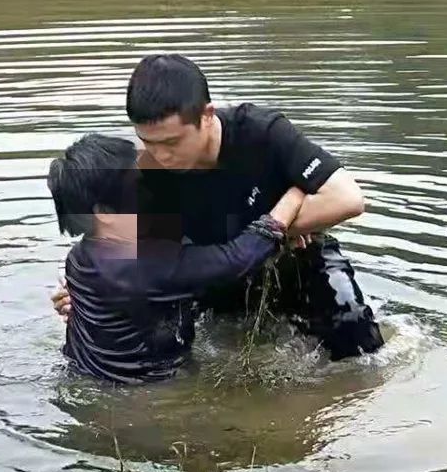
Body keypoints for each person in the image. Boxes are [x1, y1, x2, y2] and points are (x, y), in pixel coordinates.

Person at [126, 54, 383, 361]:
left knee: (356, 336)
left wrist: (275, 233)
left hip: (295, 263)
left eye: (172, 143)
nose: (160, 156)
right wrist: (84, 293)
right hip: (214, 276)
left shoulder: (261, 133)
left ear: (207, 116)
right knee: (148, 342)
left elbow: (348, 198)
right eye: (148, 142)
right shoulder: (145, 170)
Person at [47, 132, 306, 386]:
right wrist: (294, 196)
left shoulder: (80, 256)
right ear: (104, 213)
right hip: (145, 399)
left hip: (85, 378)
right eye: (138, 184)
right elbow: (236, 260)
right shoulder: (149, 263)